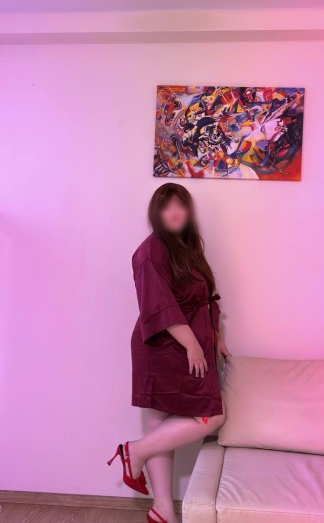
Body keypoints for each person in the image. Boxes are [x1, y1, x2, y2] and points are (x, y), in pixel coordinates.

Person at [108, 183, 231, 523]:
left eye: (180, 205)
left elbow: (206, 297)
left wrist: (216, 336)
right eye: (166, 206)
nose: (174, 212)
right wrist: (192, 343)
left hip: (188, 344)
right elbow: (159, 304)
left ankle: (161, 508)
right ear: (156, 213)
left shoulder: (188, 247)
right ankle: (135, 453)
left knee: (163, 422)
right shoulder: (150, 251)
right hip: (162, 347)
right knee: (209, 416)